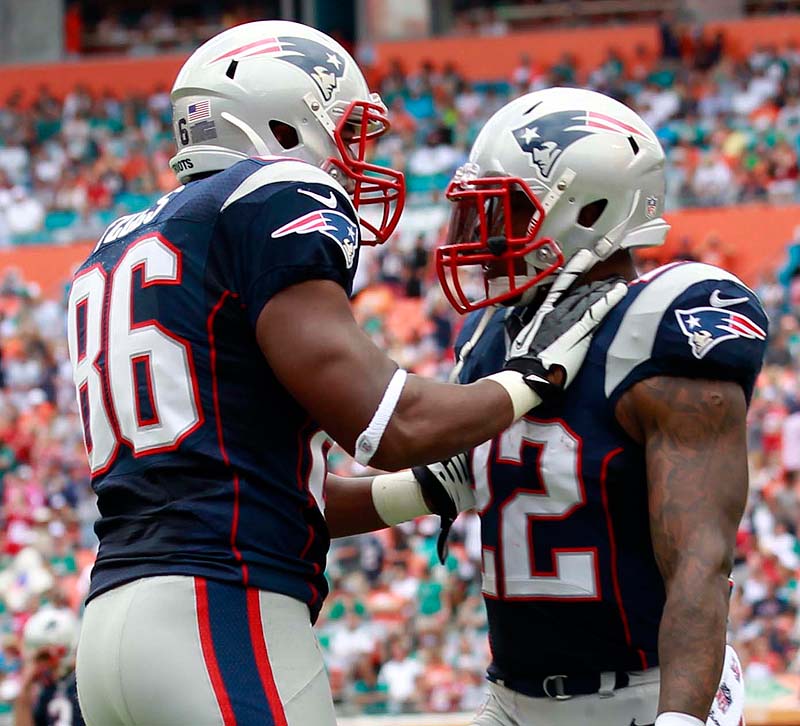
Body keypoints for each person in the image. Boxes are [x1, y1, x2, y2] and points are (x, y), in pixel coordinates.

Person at [66, 22, 623, 726]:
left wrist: (420, 492)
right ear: (285, 121)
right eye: (346, 131)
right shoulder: (271, 193)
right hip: (222, 612)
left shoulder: (118, 243)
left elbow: (270, 486)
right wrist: (529, 380)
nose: (355, 158)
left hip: (114, 621)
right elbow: (390, 423)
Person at [435, 87, 766, 726]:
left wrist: (680, 719)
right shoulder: (493, 338)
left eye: (502, 212)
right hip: (512, 699)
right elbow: (428, 485)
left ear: (587, 210)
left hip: (645, 696)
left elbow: (701, 561)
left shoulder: (659, 328)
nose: (481, 235)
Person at [14, 607, 84, 726]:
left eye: (44, 657)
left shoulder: (82, 683)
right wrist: (25, 689)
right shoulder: (47, 690)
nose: (40, 665)